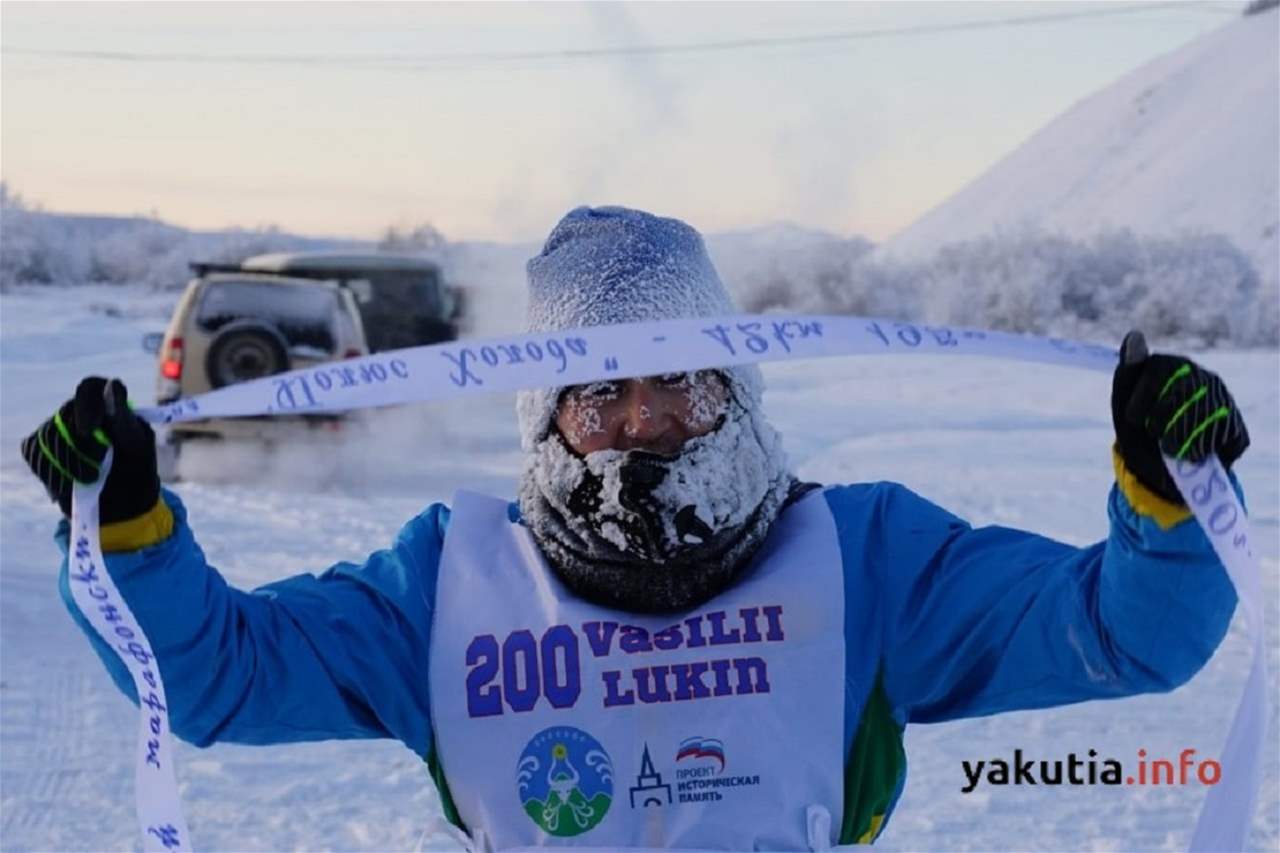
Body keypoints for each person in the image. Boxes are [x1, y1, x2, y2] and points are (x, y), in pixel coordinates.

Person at [22, 206, 1250, 851]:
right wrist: (127, 527)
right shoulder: (448, 586)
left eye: (680, 379)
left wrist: (1164, 494)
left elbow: (1123, 634)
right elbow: (219, 679)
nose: (643, 419)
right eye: (599, 389)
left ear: (737, 385)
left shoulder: (869, 564)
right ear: (546, 412)